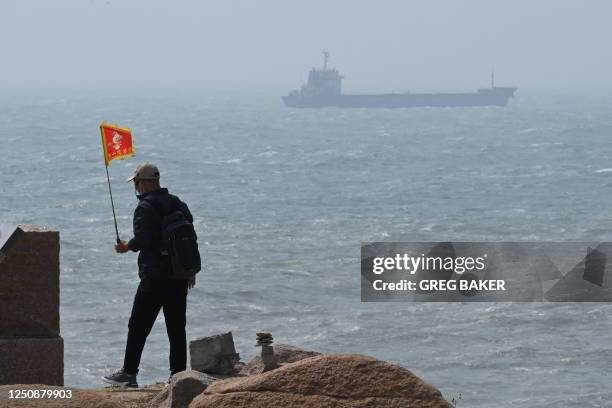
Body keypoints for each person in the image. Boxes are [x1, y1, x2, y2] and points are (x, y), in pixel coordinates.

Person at [102, 162, 196, 387]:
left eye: (136, 182)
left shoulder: (145, 207)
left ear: (143, 183)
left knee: (138, 325)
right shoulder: (178, 203)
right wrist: (189, 270)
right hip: (179, 277)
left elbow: (143, 240)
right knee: (176, 328)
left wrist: (126, 246)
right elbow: (190, 238)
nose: (136, 187)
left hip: (154, 278)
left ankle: (129, 373)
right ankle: (178, 376)